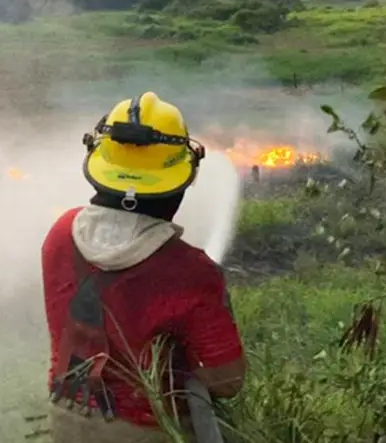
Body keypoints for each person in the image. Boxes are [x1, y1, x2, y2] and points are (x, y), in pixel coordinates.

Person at [41, 91, 246, 443]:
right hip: (148, 432)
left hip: (67, 419)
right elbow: (226, 381)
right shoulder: (188, 271)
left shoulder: (62, 232)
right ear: (180, 180)